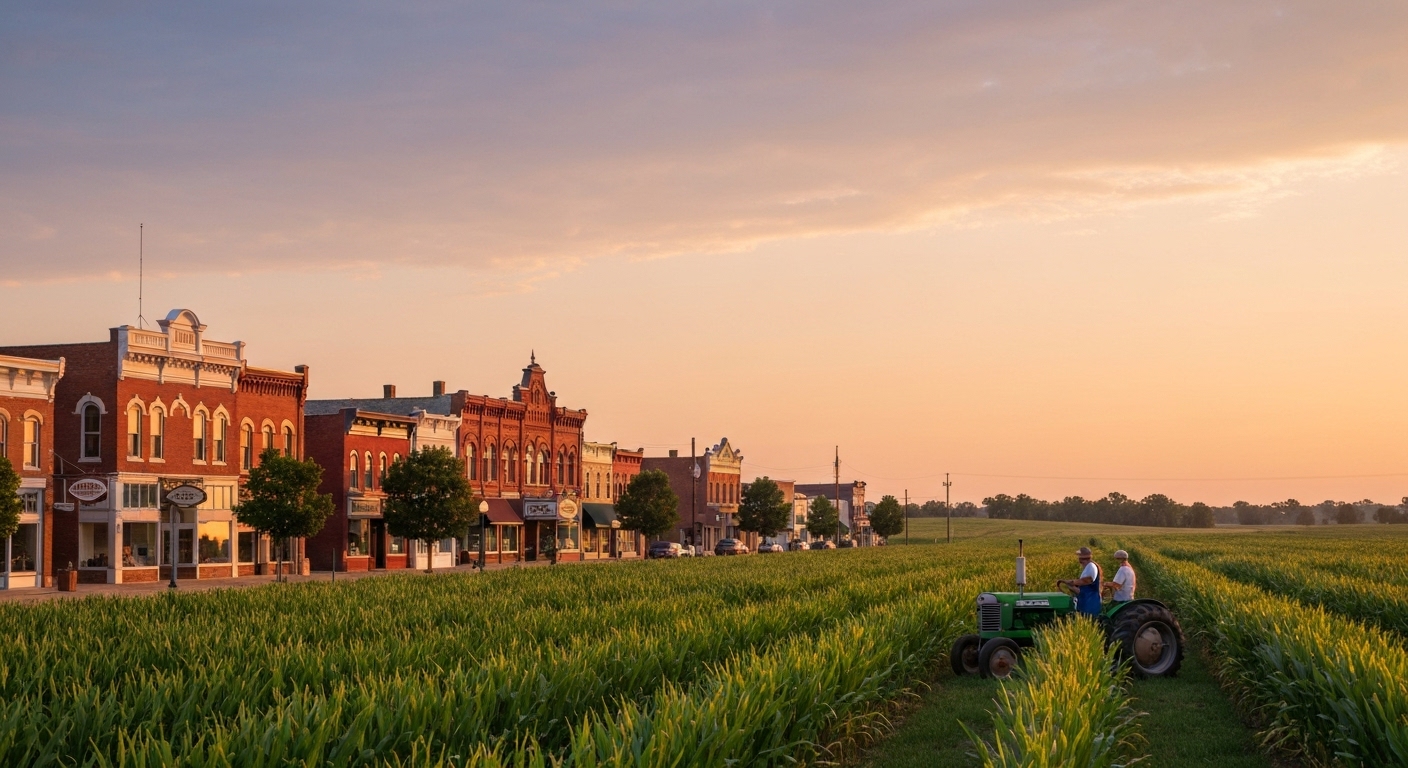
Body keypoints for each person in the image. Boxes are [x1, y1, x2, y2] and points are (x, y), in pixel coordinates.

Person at [1057, 546, 1103, 616]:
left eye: (1079, 556)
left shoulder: (1091, 567)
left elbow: (1087, 581)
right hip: (1084, 600)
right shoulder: (1087, 567)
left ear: (1082, 558)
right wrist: (1071, 586)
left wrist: (1072, 582)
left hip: (1090, 602)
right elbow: (1083, 588)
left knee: (1089, 619)